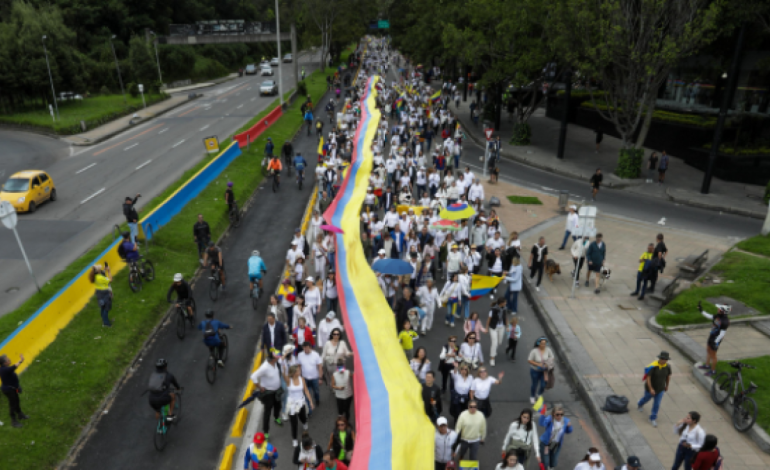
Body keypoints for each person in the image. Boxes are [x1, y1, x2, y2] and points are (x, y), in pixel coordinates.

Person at [251, 351, 284, 435]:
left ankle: (276, 417)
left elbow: (282, 359)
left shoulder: (275, 363)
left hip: (277, 391)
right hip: (268, 393)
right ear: (273, 359)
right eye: (277, 357)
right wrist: (260, 387)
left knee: (278, 405)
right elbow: (253, 376)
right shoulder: (264, 367)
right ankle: (266, 431)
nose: (278, 357)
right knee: (267, 412)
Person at [637, 350, 672, 427]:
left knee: (657, 404)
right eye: (663, 359)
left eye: (666, 359)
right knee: (646, 398)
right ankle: (640, 403)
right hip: (650, 388)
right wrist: (651, 389)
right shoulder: (653, 366)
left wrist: (667, 386)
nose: (664, 360)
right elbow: (648, 378)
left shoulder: (667, 367)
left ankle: (653, 418)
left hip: (660, 389)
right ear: (660, 358)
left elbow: (668, 376)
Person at [698, 302, 730, 377]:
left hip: (716, 340)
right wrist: (701, 311)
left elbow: (722, 334)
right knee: (708, 350)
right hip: (712, 336)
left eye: (719, 308)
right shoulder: (718, 316)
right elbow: (710, 316)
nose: (717, 309)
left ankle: (713, 370)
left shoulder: (725, 321)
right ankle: (707, 365)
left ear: (723, 311)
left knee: (713, 355)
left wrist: (715, 342)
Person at [285, 365, 314, 447]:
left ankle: (304, 423)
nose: (300, 371)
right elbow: (284, 373)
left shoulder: (302, 379)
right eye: (298, 371)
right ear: (294, 373)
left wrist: (311, 402)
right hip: (292, 404)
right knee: (294, 423)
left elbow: (306, 391)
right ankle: (294, 439)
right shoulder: (288, 381)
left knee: (303, 417)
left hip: (301, 402)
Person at [538, 404, 573, 468]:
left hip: (556, 445)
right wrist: (542, 415)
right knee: (545, 462)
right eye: (557, 414)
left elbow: (569, 431)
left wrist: (569, 426)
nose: (559, 416)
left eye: (561, 414)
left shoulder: (565, 420)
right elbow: (542, 423)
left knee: (553, 462)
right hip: (546, 444)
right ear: (553, 414)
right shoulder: (550, 419)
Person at [147, 358, 180, 422]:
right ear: (165, 367)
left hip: (151, 400)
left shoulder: (153, 374)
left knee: (157, 407)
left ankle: (157, 412)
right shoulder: (169, 375)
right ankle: (170, 415)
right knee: (173, 397)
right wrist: (178, 389)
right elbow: (176, 385)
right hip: (162, 399)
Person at [0, 353, 26, 428]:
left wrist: (17, 387)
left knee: (17, 401)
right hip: (8, 390)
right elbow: (13, 367)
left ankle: (20, 415)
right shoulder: (4, 370)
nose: (9, 360)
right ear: (5, 363)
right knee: (13, 404)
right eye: (8, 360)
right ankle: (13, 421)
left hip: (13, 388)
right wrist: (21, 360)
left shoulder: (5, 368)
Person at [528, 337, 555, 404]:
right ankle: (532, 396)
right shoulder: (534, 351)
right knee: (534, 384)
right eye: (542, 343)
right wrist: (538, 364)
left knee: (543, 385)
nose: (543, 345)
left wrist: (547, 363)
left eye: (545, 344)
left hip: (544, 371)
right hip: (535, 371)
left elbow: (552, 357)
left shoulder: (548, 350)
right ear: (538, 343)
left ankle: (539, 394)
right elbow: (529, 360)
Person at [298, 341, 323, 407]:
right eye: (304, 348)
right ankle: (309, 407)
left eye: (307, 348)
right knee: (306, 393)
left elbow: (320, 366)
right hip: (305, 378)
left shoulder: (316, 354)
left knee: (316, 391)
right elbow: (299, 366)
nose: (305, 350)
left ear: (310, 347)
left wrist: (320, 378)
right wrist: (299, 377)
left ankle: (317, 399)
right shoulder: (300, 355)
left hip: (315, 378)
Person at [486, 297, 508, 366]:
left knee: (499, 342)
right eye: (505, 302)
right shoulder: (493, 310)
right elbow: (489, 319)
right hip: (493, 327)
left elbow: (505, 317)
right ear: (501, 303)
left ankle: (494, 350)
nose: (506, 303)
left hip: (501, 327)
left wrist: (507, 326)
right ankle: (492, 358)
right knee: (494, 343)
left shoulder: (504, 309)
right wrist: (486, 328)